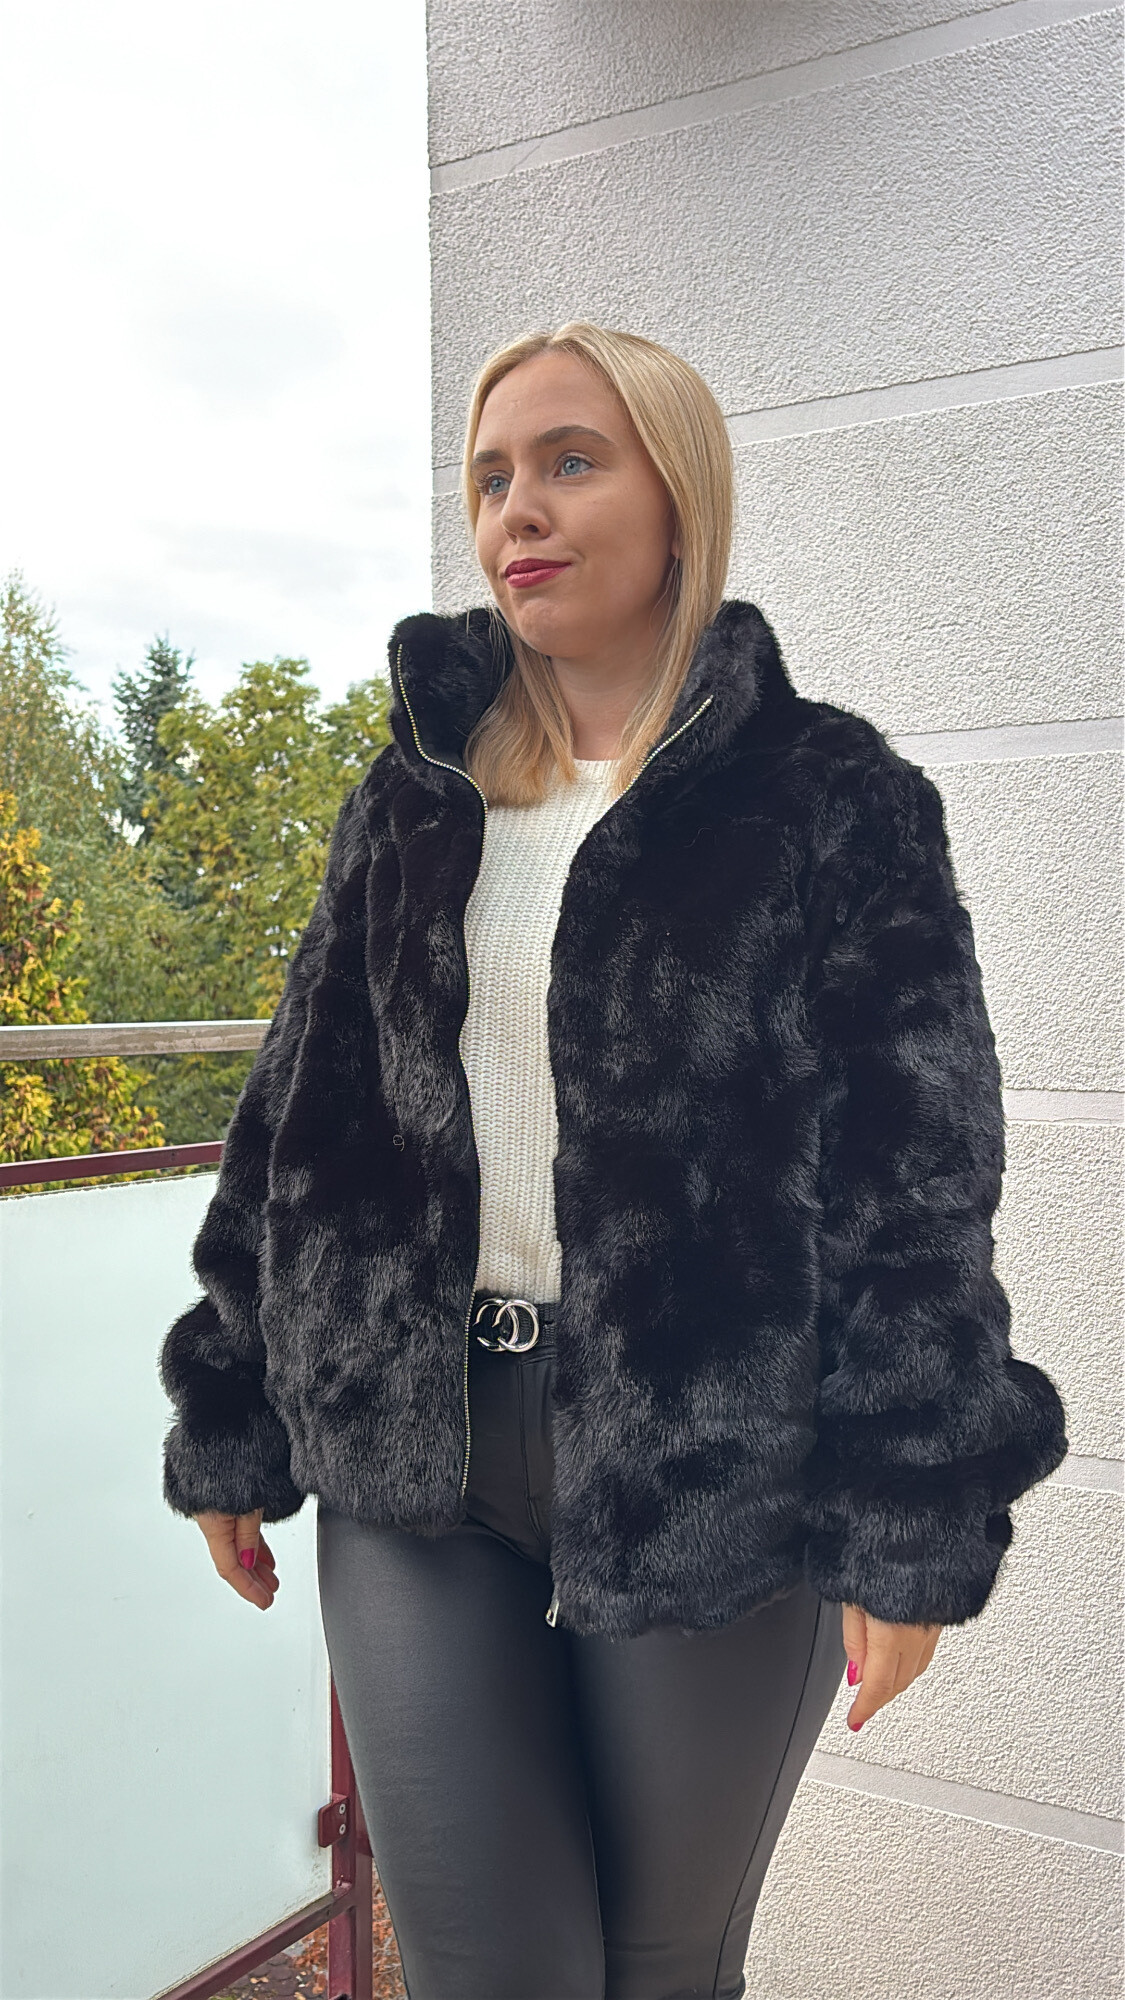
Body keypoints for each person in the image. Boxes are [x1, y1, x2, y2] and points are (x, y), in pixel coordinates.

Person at [159, 321, 1068, 2000]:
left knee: (660, 1968)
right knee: (487, 1967)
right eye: (491, 477)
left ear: (677, 498)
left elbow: (916, 1184)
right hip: (412, 1462)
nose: (518, 510)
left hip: (706, 1465)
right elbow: (299, 1123)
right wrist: (230, 1400)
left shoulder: (832, 800)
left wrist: (908, 1509)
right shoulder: (412, 800)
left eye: (571, 462)